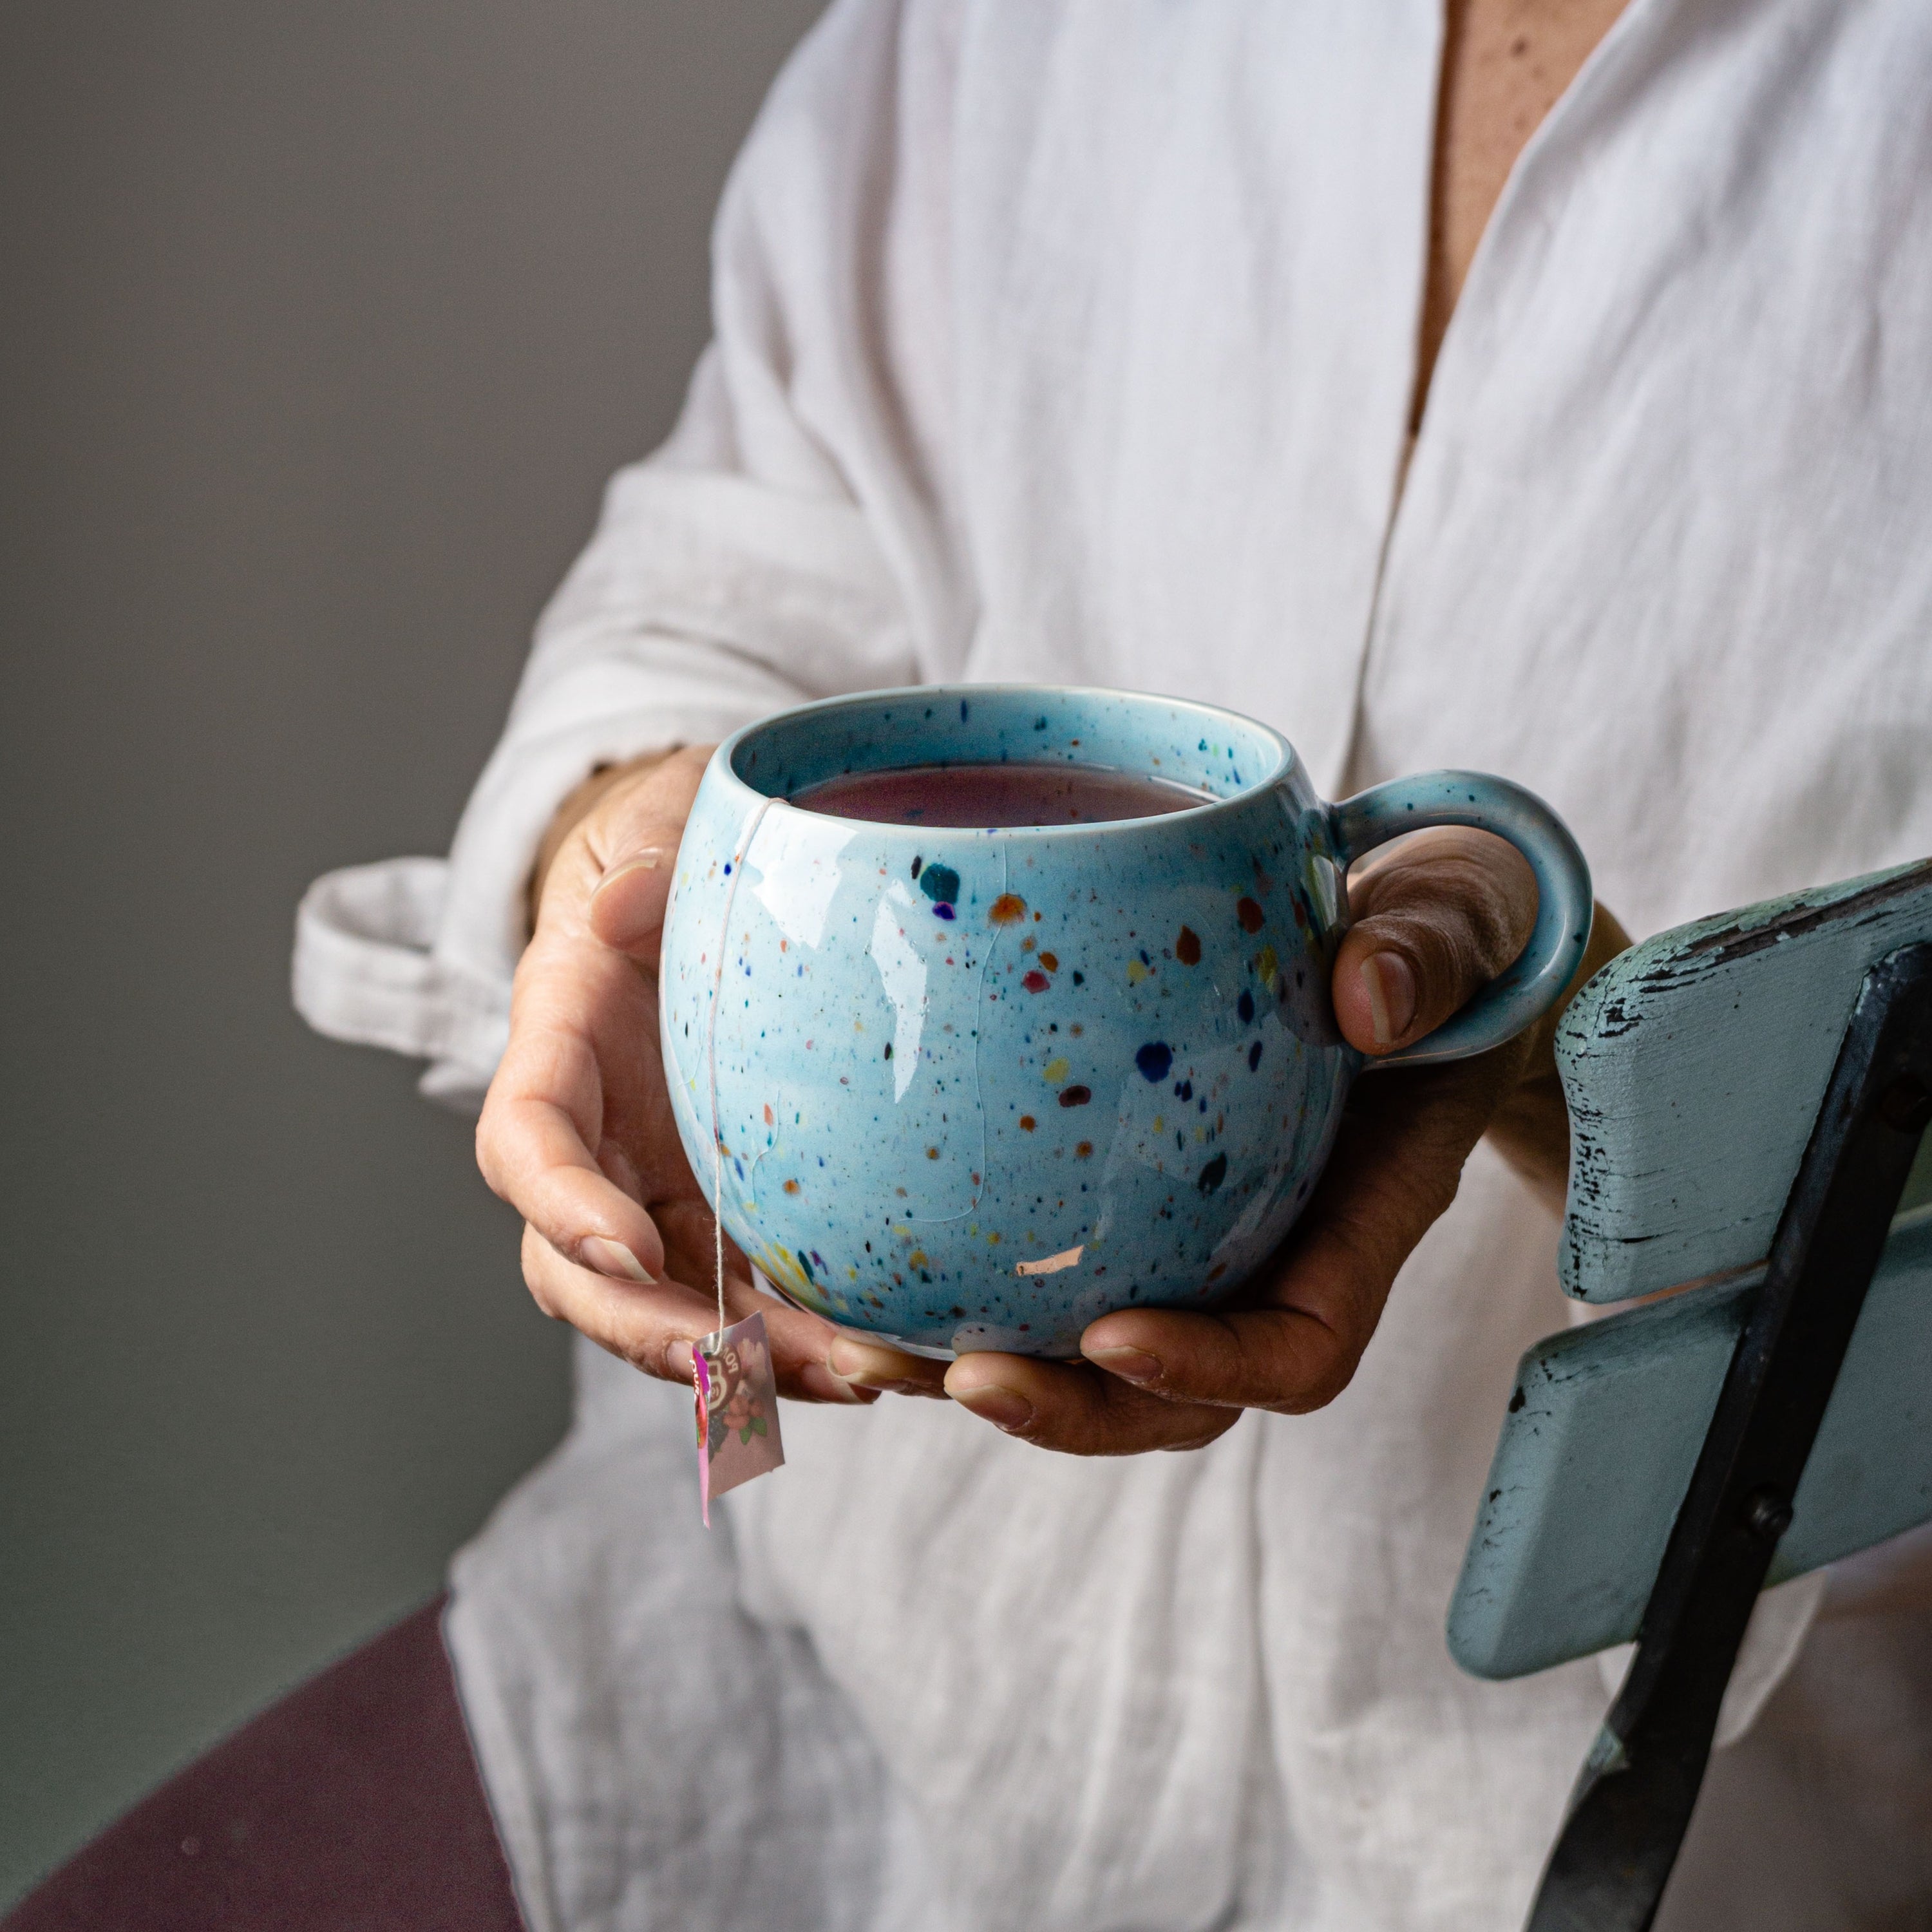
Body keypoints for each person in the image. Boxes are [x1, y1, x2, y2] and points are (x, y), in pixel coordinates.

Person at [15, 1, 1930, 1927]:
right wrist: (648, 858)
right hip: (776, 1659)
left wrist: (1576, 1066)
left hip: (1658, 1836)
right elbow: (738, 566)